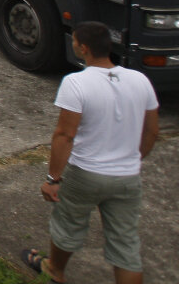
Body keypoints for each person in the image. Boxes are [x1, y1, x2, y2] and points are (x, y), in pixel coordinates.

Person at [21, 22, 159, 284]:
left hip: (86, 173)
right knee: (126, 247)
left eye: (74, 42)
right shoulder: (140, 80)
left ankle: (55, 270)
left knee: (68, 226)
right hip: (127, 177)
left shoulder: (76, 82)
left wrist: (53, 179)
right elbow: (152, 131)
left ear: (83, 48)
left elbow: (65, 135)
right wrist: (133, 158)